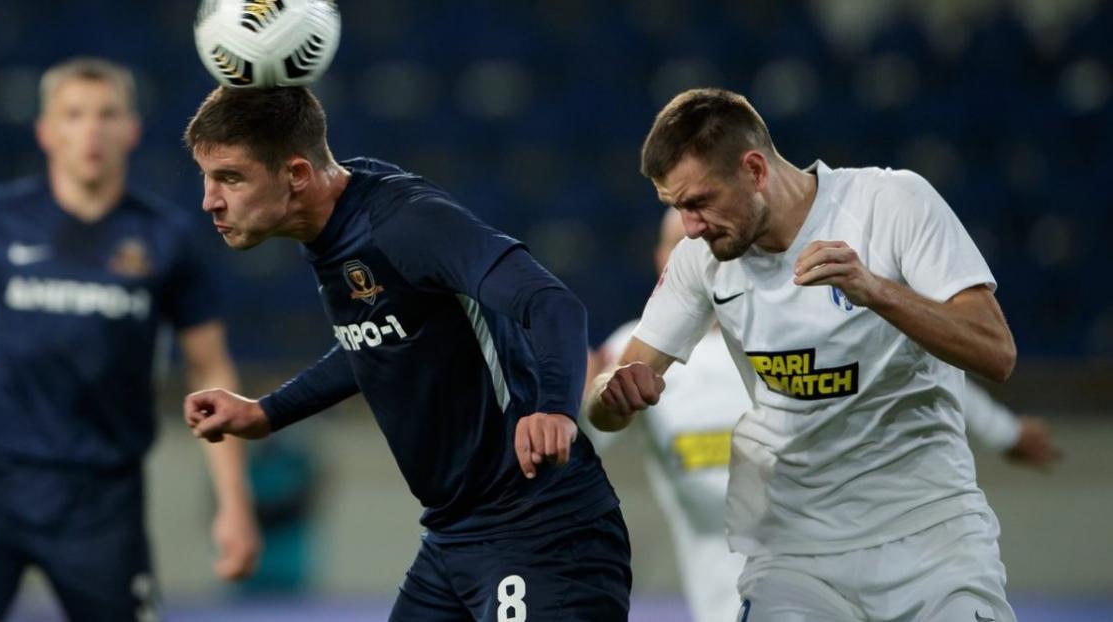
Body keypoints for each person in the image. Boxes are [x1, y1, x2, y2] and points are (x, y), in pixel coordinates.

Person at [179, 86, 631, 621]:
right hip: (454, 538)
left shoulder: (407, 222)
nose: (210, 200)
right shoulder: (332, 230)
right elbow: (375, 336)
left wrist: (555, 407)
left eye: (231, 178)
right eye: (207, 178)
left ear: (297, 174)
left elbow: (551, 304)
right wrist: (266, 412)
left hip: (542, 530)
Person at [585, 87, 1021, 621]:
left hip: (931, 537)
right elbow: (609, 397)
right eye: (676, 208)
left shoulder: (891, 203)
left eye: (698, 202)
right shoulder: (699, 260)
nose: (690, 226)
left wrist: (877, 292)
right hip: (795, 554)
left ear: (754, 170)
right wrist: (614, 393)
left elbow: (995, 351)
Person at [0, 58, 261, 622]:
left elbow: (210, 369)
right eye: (74, 115)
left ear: (132, 130)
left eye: (107, 114)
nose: (91, 131)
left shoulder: (166, 238)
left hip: (102, 499)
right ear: (46, 131)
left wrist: (233, 503)